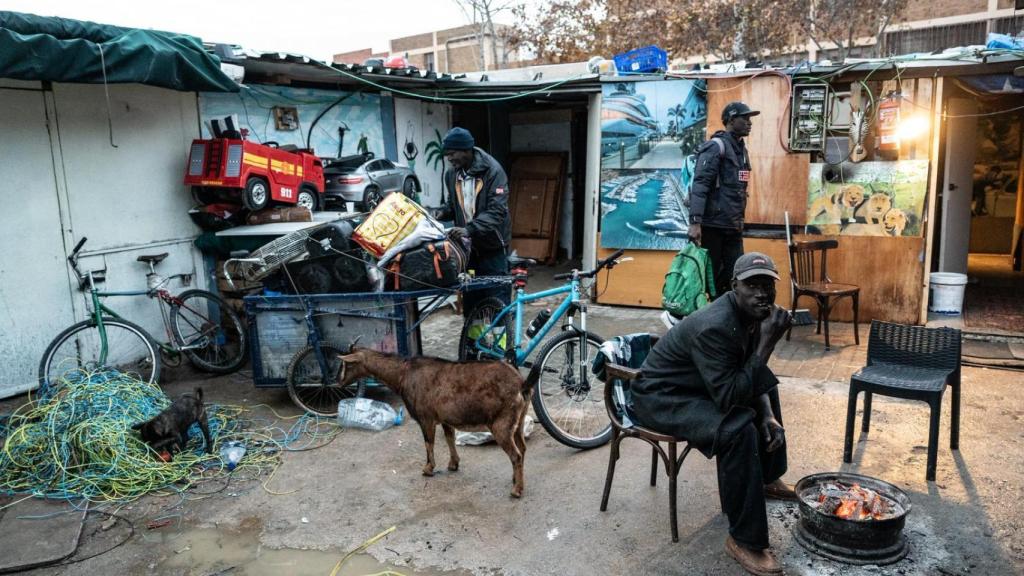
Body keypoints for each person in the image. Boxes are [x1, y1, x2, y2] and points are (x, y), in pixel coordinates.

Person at [629, 252, 795, 576]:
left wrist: (768, 416)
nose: (761, 293)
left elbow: (747, 373)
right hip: (661, 397)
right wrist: (768, 344)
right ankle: (744, 540)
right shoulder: (715, 326)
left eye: (767, 285)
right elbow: (730, 396)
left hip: (698, 385)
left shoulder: (748, 315)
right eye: (752, 285)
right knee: (737, 430)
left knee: (765, 388)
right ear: (735, 286)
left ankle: (767, 476)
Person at [435, 127, 513, 311]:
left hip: (493, 249)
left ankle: (501, 339)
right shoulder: (452, 175)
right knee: (471, 299)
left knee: (497, 299)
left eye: (452, 153)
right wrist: (441, 213)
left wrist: (469, 230)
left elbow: (497, 211)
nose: (449, 158)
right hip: (467, 252)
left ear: (466, 150)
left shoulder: (493, 171)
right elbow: (453, 205)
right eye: (447, 154)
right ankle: (473, 340)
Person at [687, 101, 759, 298]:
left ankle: (728, 321)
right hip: (714, 227)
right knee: (711, 280)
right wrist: (695, 223)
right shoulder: (715, 147)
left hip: (733, 226)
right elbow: (700, 186)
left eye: (750, 119)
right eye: (745, 118)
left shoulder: (741, 151)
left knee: (736, 276)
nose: (749, 123)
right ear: (731, 120)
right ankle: (708, 321)